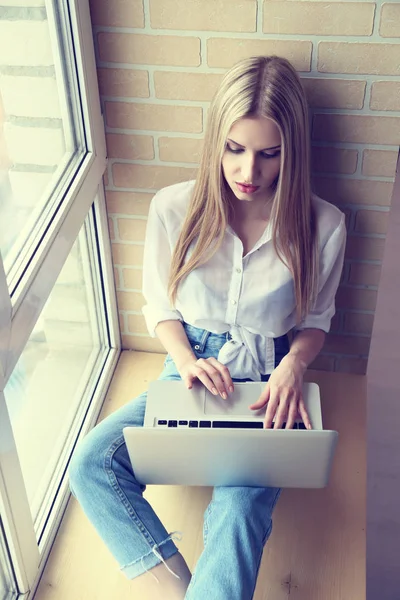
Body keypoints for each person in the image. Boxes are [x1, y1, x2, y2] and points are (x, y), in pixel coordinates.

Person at [69, 55, 346, 599]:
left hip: (269, 376)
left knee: (241, 507)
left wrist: (294, 363)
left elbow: (315, 321)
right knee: (91, 464)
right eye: (235, 150)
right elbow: (160, 307)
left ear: (293, 151)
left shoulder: (324, 225)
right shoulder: (173, 209)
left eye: (270, 154)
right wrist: (187, 360)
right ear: (215, 141)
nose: (249, 172)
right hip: (190, 365)